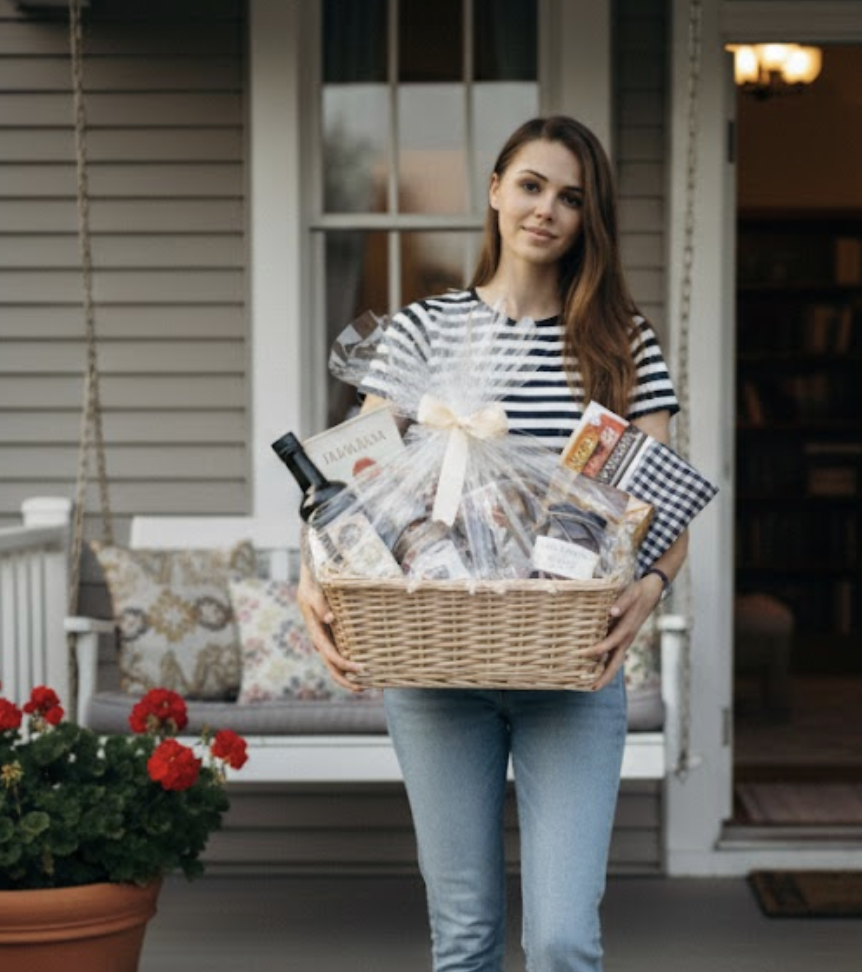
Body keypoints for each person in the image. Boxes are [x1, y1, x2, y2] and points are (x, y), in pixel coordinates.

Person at [297, 115, 688, 972]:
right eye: (531, 185)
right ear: (495, 191)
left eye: (572, 198)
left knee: (561, 941)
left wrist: (650, 590)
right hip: (440, 669)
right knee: (465, 937)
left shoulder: (624, 344)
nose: (546, 210)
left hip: (572, 665)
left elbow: (662, 511)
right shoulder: (420, 333)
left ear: (592, 219)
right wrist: (311, 578)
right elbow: (358, 487)